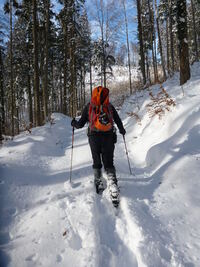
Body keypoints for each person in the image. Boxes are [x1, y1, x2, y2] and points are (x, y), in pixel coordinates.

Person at [71, 86, 126, 204]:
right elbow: (117, 120)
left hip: (94, 137)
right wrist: (122, 130)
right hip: (109, 137)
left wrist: (73, 123)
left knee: (96, 160)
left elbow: (80, 124)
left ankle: (98, 180)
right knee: (109, 162)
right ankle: (112, 184)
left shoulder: (89, 106)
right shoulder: (109, 106)